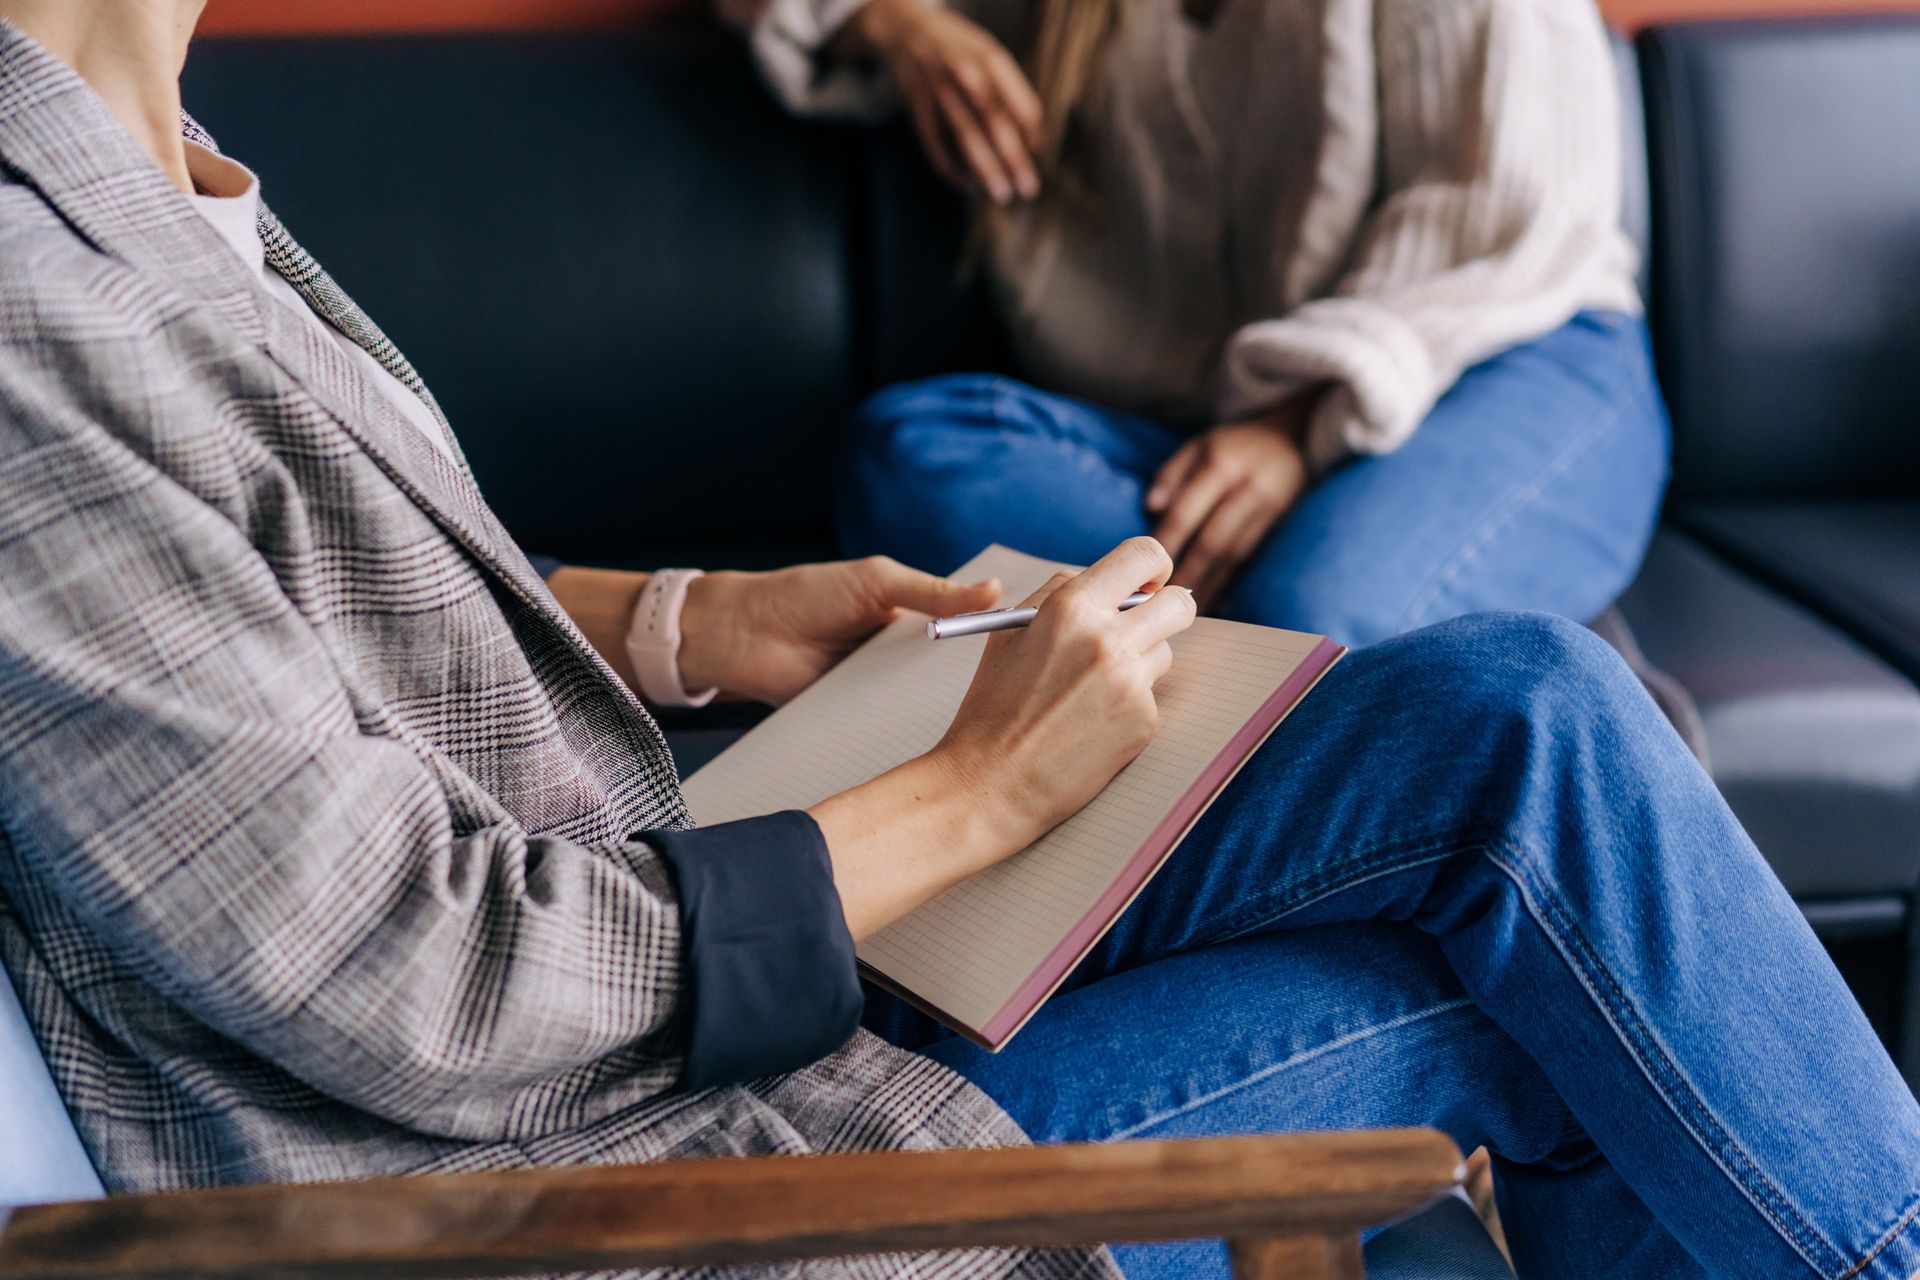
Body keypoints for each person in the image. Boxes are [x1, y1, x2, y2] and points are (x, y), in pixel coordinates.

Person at [0, 5, 1915, 1280]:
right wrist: (980, 784)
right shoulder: (31, 317)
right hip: (599, 1160)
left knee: (1532, 714)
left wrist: (698, 616)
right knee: (1541, 993)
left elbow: (302, 613)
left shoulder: (150, 165)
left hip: (659, 961)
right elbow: (419, 981)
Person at [740, 0, 1670, 645]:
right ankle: (1345, 620)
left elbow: (1506, 211)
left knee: (1311, 610)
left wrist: (1297, 424)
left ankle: (1318, 613)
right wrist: (897, 23)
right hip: (1204, 429)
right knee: (906, 455)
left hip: (1498, 349)